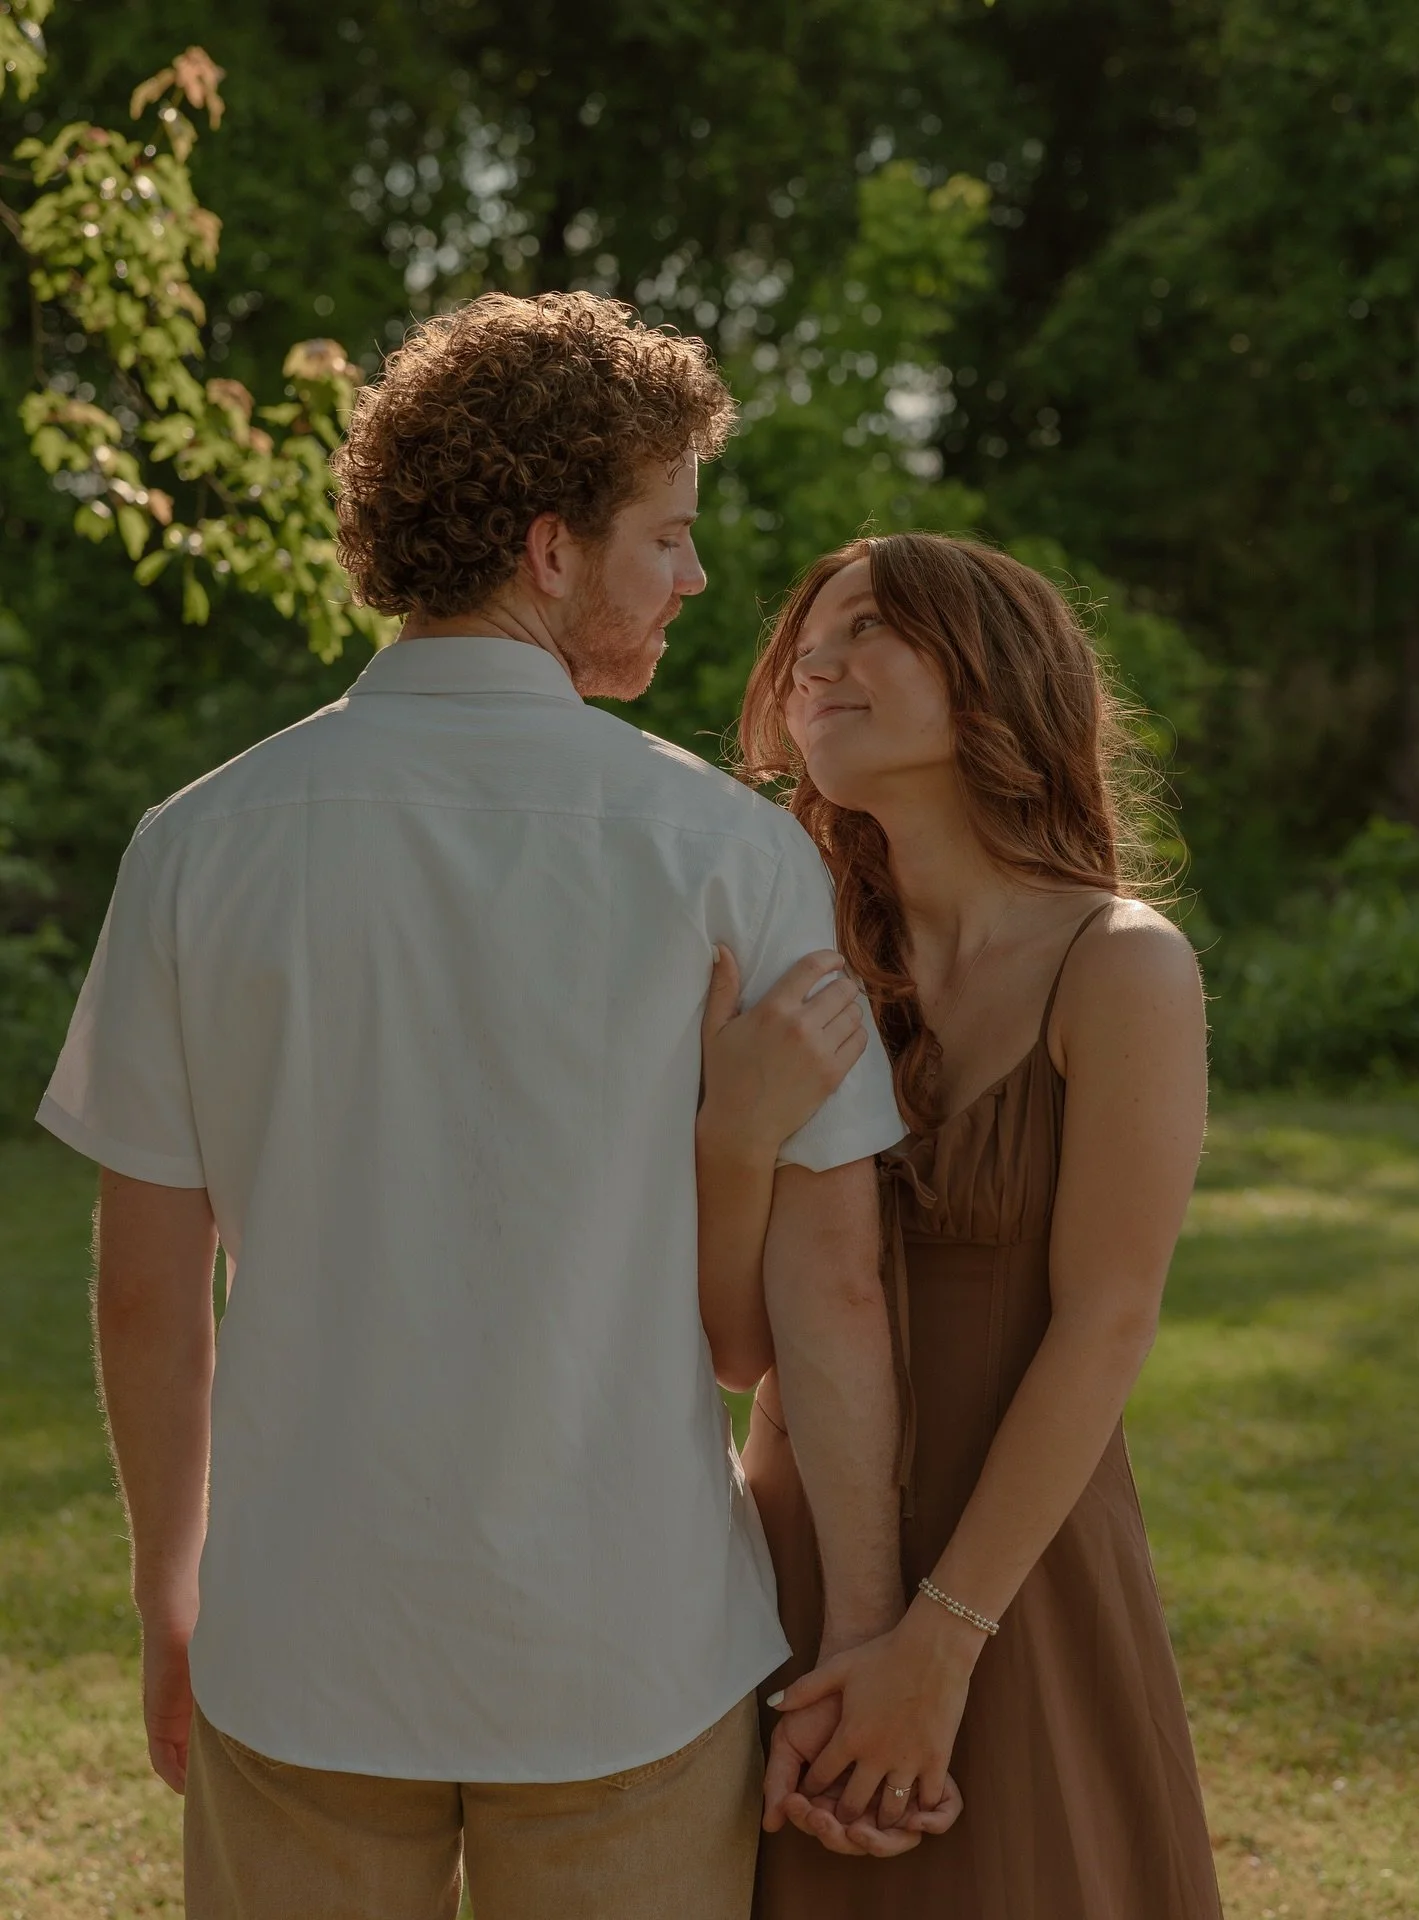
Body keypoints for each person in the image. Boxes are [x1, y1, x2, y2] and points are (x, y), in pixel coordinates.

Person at [35, 293, 929, 1920]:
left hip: (300, 1646)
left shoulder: (197, 843)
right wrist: (863, 1627)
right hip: (630, 1652)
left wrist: (171, 1592)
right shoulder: (730, 855)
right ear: (549, 549)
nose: (695, 579)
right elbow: (835, 1290)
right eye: (669, 536)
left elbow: (147, 1291)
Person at [696, 532, 1226, 1915]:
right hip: (796, 1558)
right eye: (805, 645)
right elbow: (739, 1347)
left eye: (867, 627)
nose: (816, 663)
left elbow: (1107, 1324)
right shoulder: (791, 957)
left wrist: (941, 1642)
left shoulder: (1119, 965)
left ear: (993, 671)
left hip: (1018, 1573)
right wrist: (733, 1139)